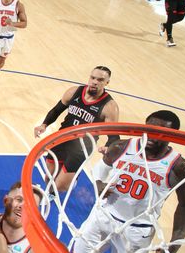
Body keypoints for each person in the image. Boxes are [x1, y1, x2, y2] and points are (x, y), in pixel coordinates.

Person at [71, 111, 185, 253]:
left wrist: (177, 238)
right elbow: (101, 169)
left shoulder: (180, 168)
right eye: (150, 128)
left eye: (160, 132)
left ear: (173, 136)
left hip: (137, 231)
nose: (152, 135)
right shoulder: (121, 147)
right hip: (103, 216)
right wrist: (99, 184)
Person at [33, 66, 120, 194]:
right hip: (61, 138)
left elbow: (114, 136)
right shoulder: (74, 92)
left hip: (81, 147)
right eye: (93, 77)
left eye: (100, 80)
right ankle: (60, 185)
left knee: (59, 187)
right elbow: (57, 110)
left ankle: (71, 182)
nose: (95, 82)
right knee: (49, 178)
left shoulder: (109, 107)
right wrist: (44, 124)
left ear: (107, 83)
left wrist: (108, 147)